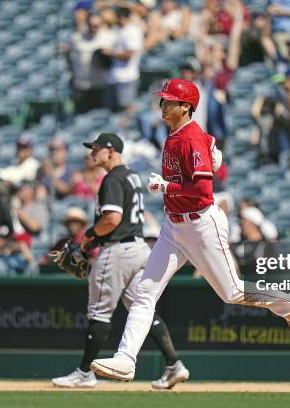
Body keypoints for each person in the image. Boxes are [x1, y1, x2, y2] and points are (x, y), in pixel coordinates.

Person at [90, 78, 290, 382]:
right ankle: (126, 359)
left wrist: (168, 185)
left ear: (185, 106)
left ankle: (288, 303)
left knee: (232, 292)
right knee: (145, 293)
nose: (162, 105)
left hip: (201, 223)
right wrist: (209, 148)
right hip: (173, 227)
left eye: (168, 101)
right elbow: (202, 154)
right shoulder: (178, 134)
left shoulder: (189, 137)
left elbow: (203, 191)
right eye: (162, 100)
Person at [52, 133, 189, 390]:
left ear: (111, 151)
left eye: (96, 149)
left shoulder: (113, 178)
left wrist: (88, 237)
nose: (92, 154)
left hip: (117, 250)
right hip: (138, 249)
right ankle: (173, 365)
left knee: (99, 312)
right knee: (143, 309)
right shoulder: (131, 176)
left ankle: (84, 373)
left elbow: (112, 220)